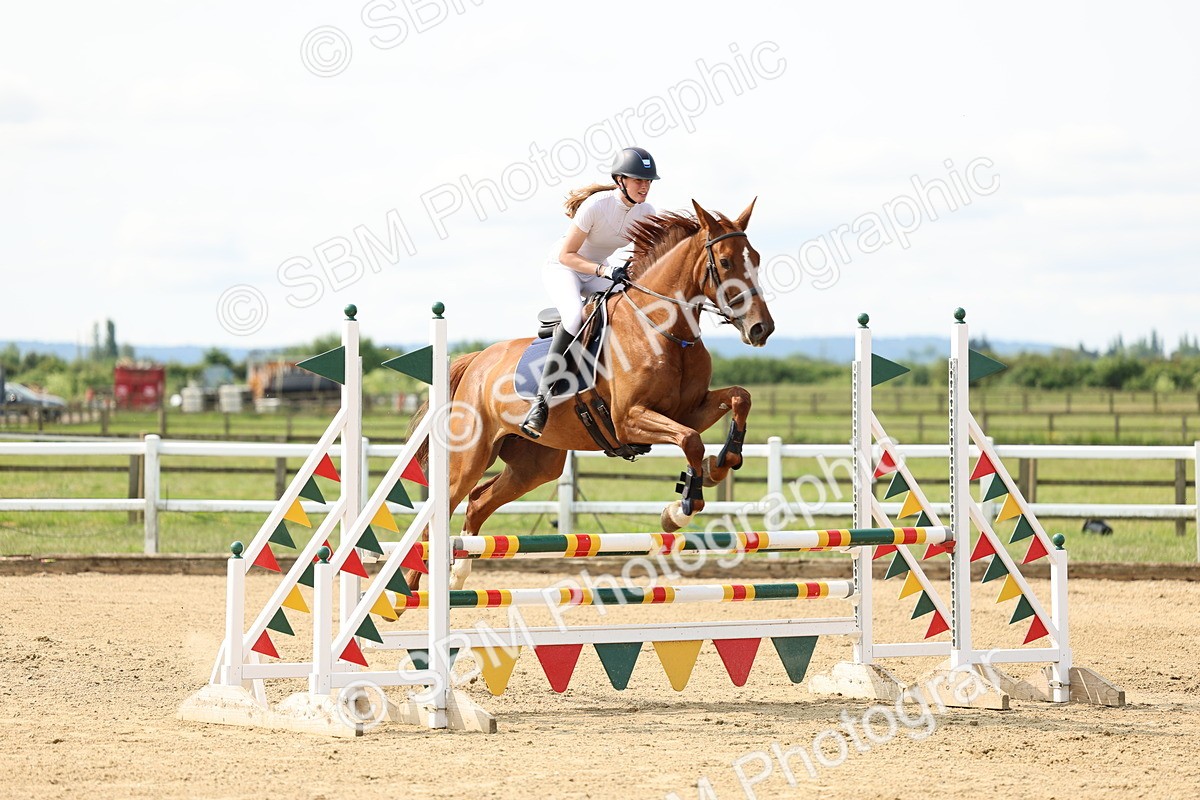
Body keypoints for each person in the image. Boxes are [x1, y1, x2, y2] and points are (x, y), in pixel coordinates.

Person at [518, 146, 661, 439]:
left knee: (633, 304)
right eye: (638, 180)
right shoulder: (596, 206)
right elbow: (568, 255)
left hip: (600, 269)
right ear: (620, 180)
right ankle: (541, 402)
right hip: (564, 268)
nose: (644, 187)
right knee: (573, 318)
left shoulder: (647, 212)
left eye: (648, 181)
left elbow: (640, 259)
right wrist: (605, 272)